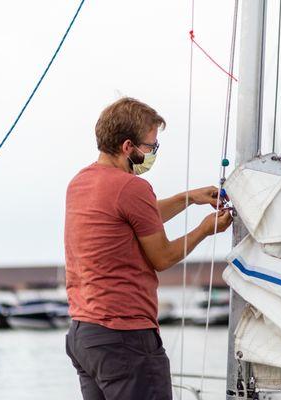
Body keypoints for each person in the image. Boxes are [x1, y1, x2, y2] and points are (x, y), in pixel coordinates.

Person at [64, 97, 233, 399]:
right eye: (150, 147)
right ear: (128, 147)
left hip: (85, 335)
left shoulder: (81, 182)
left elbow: (137, 216)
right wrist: (205, 229)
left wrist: (189, 198)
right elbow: (163, 257)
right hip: (125, 339)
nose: (152, 154)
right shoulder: (132, 187)